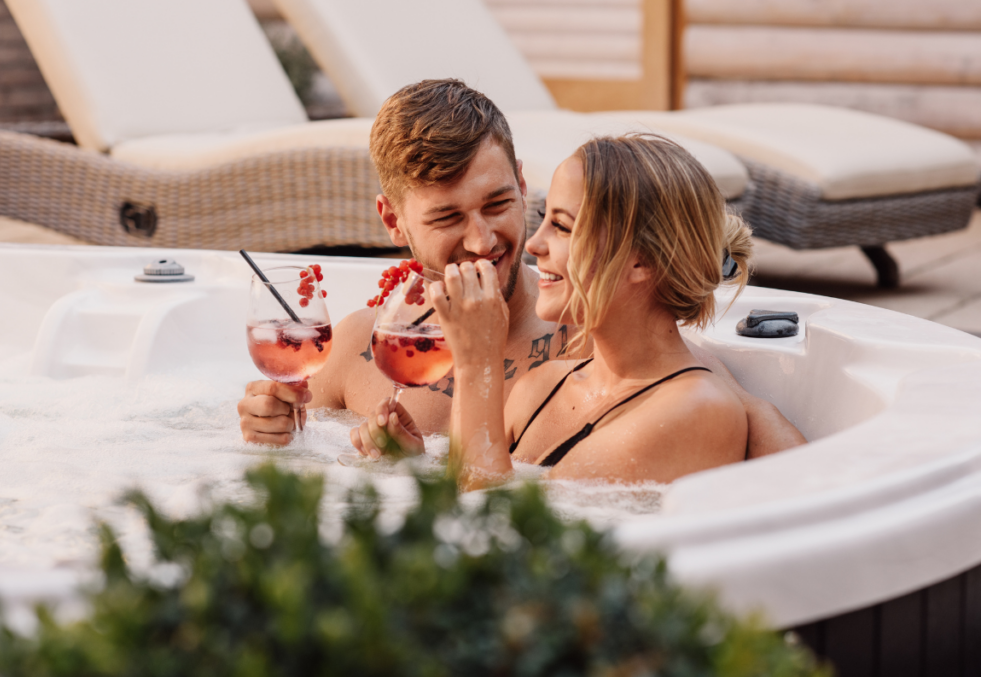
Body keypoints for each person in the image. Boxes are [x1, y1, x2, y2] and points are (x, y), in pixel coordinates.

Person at [237, 79, 805, 461]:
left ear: (522, 184)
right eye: (448, 217)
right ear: (393, 221)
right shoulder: (361, 348)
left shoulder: (598, 334)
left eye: (498, 204)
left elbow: (785, 464)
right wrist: (277, 432)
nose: (483, 240)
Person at [431, 134, 761, 488]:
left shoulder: (698, 410)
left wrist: (476, 363)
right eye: (543, 217)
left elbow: (483, 515)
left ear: (642, 261)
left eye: (562, 226)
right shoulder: (538, 389)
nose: (534, 244)